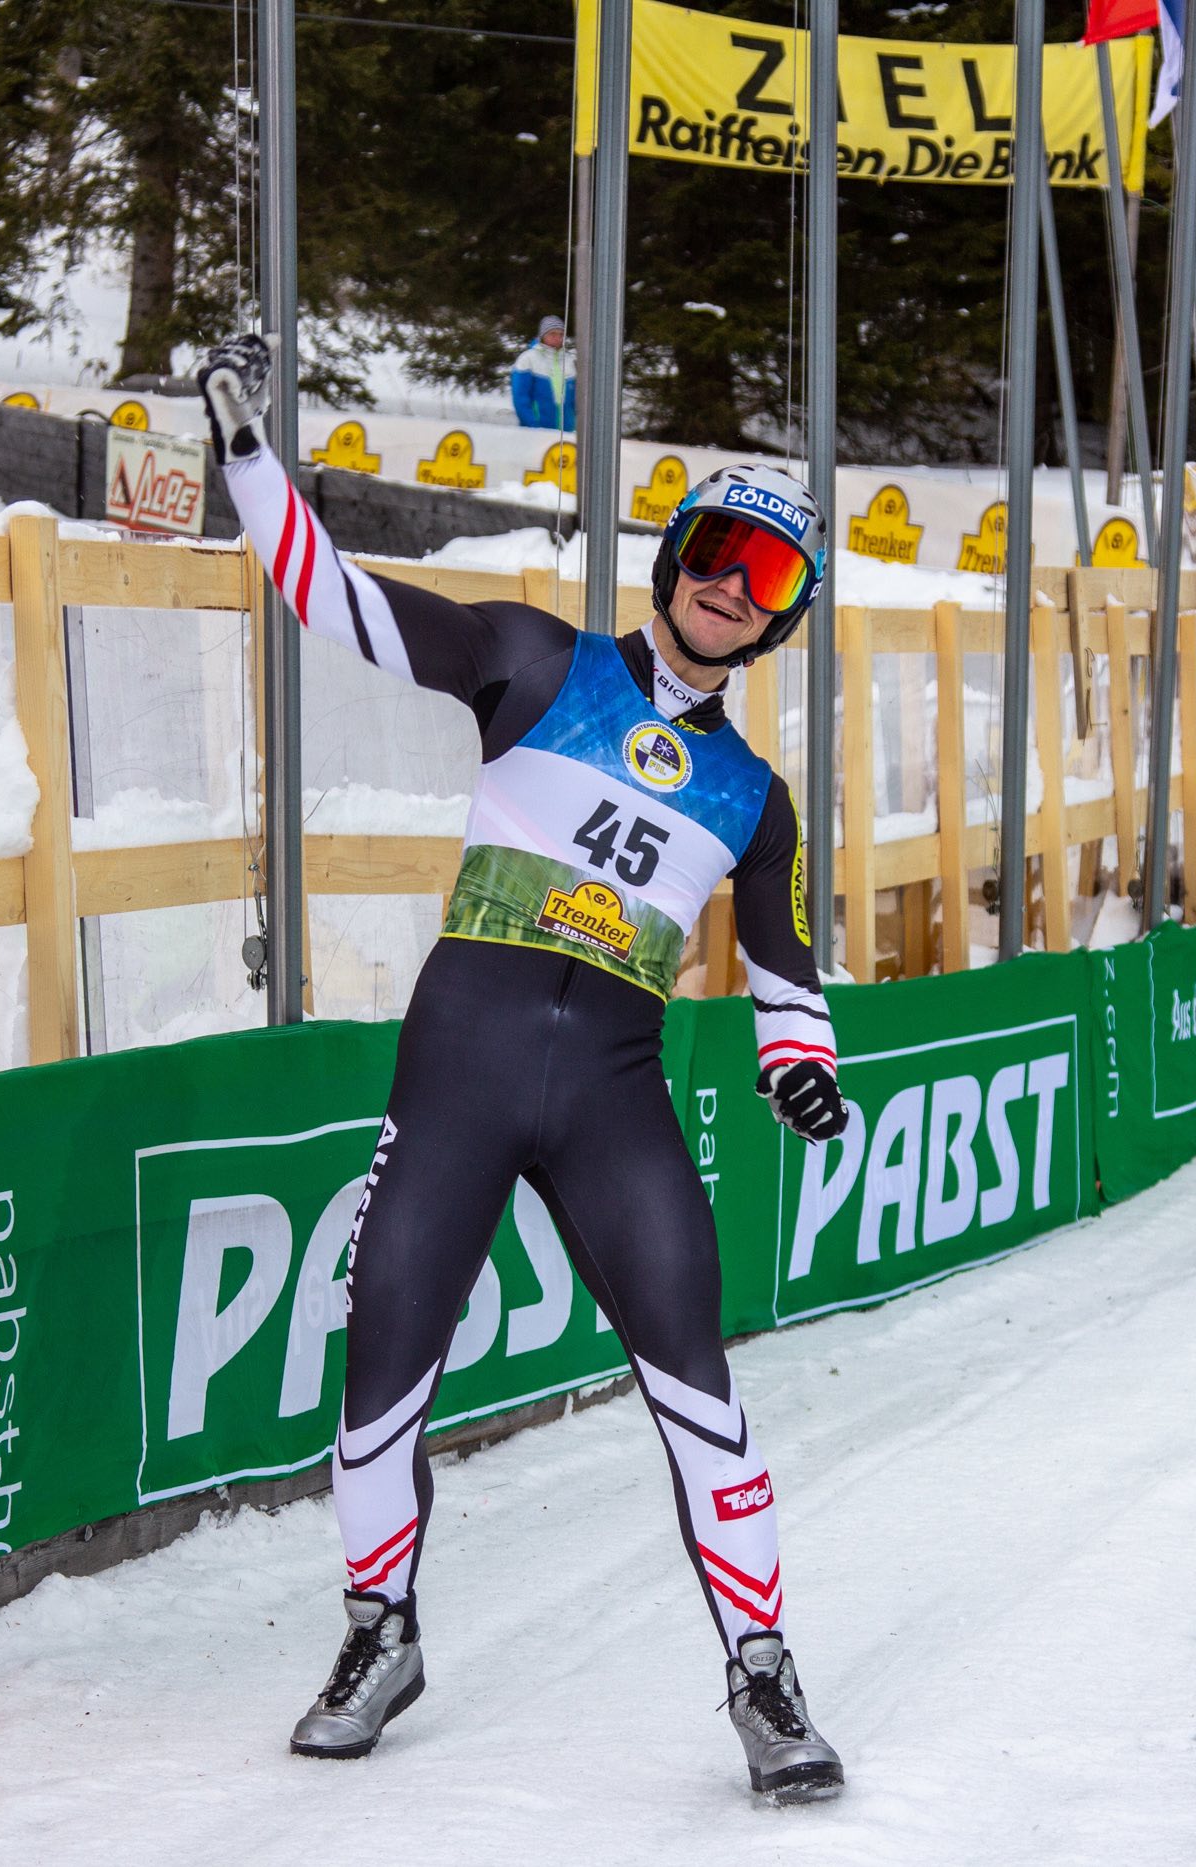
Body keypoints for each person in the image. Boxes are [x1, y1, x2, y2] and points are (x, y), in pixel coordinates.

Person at [190, 332, 850, 1804]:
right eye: (719, 553)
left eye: (769, 581)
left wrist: (801, 1063)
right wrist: (248, 462)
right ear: (676, 551)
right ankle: (382, 1631)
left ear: (778, 625)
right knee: (383, 1359)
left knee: (698, 1383)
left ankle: (763, 1674)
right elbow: (338, 600)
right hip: (464, 1072)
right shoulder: (536, 658)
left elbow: (786, 963)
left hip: (614, 1097)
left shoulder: (759, 798)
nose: (732, 587)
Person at [508, 314, 578, 431]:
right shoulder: (528, 359)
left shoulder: (570, 360)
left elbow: (577, 400)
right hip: (536, 431)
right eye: (552, 334)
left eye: (561, 334)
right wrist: (533, 426)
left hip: (567, 431)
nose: (557, 338)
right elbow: (520, 398)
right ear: (542, 336)